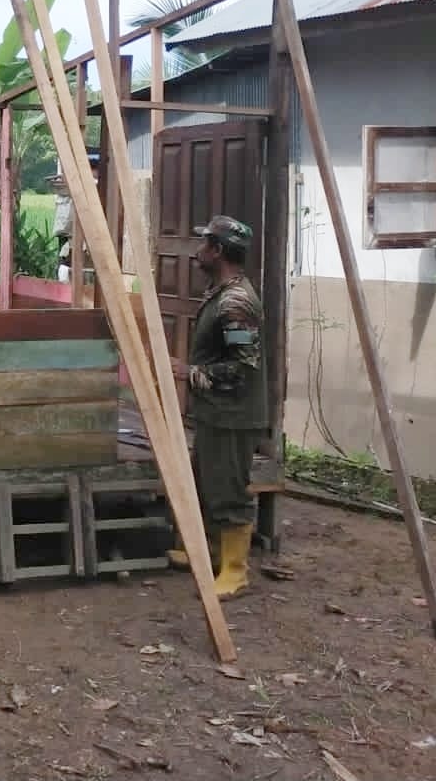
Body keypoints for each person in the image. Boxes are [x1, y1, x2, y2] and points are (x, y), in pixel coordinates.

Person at [167, 215, 265, 600]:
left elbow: (243, 367)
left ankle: (236, 570)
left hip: (232, 415)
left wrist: (189, 373)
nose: (198, 251)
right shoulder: (220, 292)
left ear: (219, 251)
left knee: (228, 489)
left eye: (205, 244)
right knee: (206, 482)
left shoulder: (237, 303)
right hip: (216, 411)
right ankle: (207, 553)